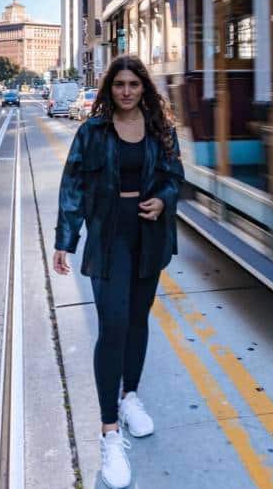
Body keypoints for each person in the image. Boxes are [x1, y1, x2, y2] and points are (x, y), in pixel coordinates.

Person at [52, 55, 184, 489]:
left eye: (133, 84)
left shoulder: (161, 130)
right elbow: (73, 185)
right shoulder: (92, 132)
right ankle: (109, 432)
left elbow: (173, 175)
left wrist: (163, 198)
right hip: (108, 235)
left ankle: (130, 396)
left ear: (143, 88)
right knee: (112, 326)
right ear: (110, 89)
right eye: (119, 85)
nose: (126, 91)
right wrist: (65, 242)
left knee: (137, 320)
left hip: (149, 235)